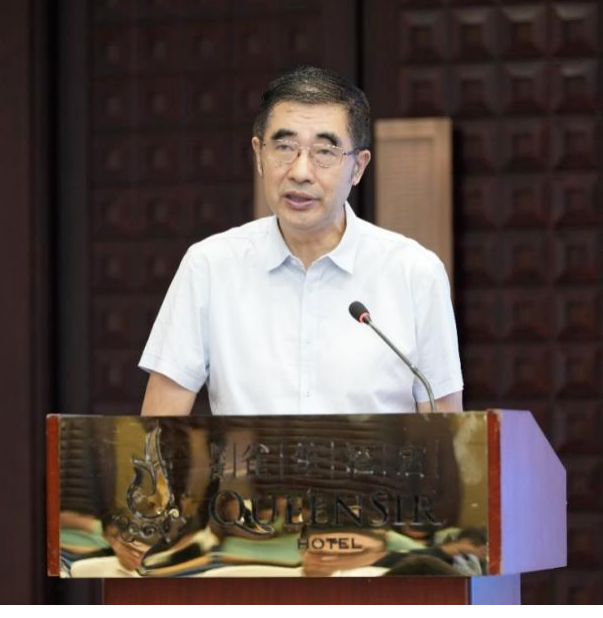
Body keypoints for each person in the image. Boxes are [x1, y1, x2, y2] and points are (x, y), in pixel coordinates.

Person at [139, 66, 463, 417]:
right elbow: (157, 432)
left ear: (358, 167)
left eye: (324, 151)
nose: (300, 172)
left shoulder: (415, 274)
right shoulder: (209, 267)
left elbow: (445, 435)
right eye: (284, 147)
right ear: (259, 155)